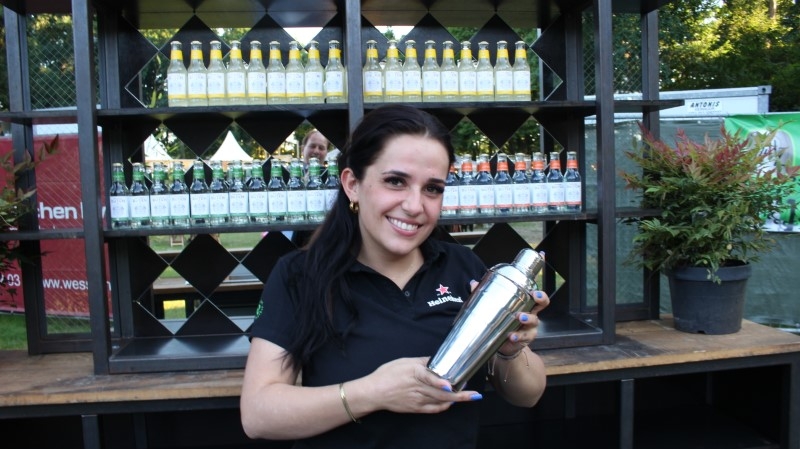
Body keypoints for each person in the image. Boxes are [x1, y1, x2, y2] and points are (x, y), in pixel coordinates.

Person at [241, 104, 549, 448]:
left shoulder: (464, 268)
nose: (415, 206)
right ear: (352, 184)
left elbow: (529, 395)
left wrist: (508, 351)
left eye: (433, 188)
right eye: (395, 181)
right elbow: (258, 414)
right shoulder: (300, 276)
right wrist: (374, 392)